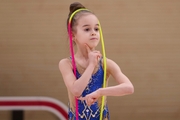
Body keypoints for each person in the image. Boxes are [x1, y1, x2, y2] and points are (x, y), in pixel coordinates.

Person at [59, 2, 134, 120]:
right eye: (87, 29)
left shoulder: (105, 63)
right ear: (73, 35)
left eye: (96, 28)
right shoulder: (66, 64)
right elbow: (76, 90)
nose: (93, 32)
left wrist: (100, 92)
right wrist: (91, 64)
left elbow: (129, 88)